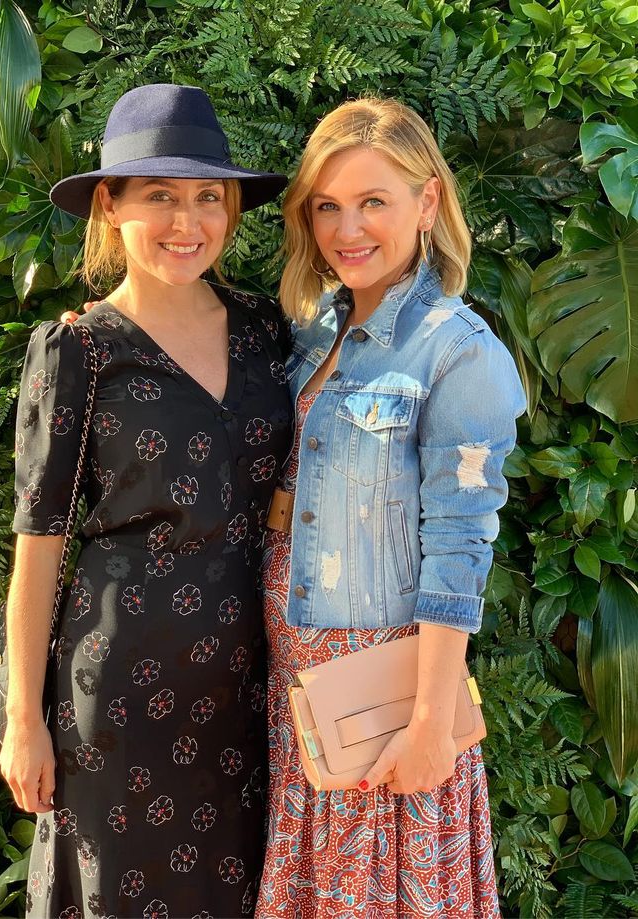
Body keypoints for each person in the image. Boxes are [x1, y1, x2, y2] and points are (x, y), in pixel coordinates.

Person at [0, 83, 291, 919]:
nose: (187, 221)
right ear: (109, 203)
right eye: (159, 195)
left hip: (246, 689)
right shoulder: (78, 349)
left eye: (209, 195)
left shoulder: (264, 328)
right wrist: (24, 718)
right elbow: (39, 544)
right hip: (118, 698)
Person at [257, 97, 526, 917]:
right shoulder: (313, 333)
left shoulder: (457, 351)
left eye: (374, 201)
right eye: (328, 207)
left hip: (377, 696)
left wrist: (430, 724)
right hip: (294, 683)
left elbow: (459, 546)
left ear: (428, 202)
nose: (348, 229)